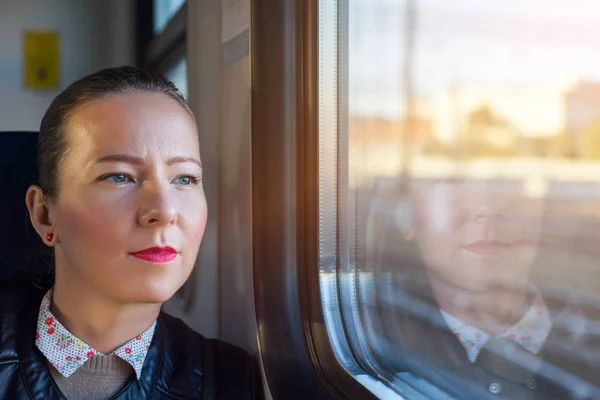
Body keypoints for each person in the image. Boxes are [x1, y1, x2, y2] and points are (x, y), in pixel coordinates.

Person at [0, 66, 262, 399]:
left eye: (185, 178)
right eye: (119, 177)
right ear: (44, 215)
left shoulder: (230, 380)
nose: (165, 212)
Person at [366, 176, 600, 399]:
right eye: (452, 180)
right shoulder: (368, 339)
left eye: (509, 179)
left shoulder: (589, 328)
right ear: (405, 215)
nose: (486, 209)